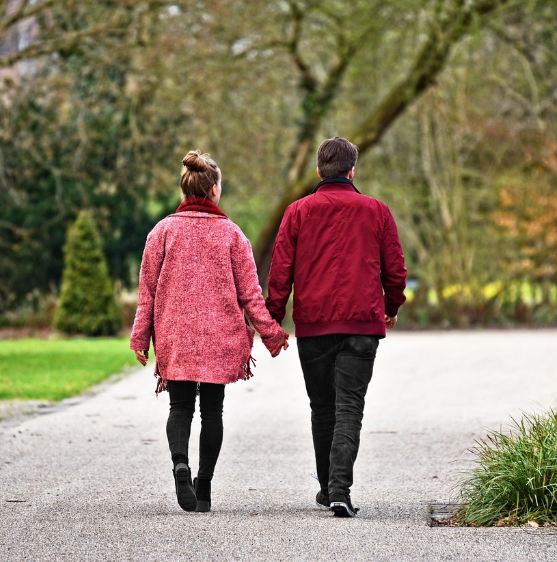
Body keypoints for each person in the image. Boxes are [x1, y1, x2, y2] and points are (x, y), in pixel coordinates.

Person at [130, 150, 289, 513]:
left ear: (183, 189)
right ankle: (203, 488)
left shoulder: (162, 232)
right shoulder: (233, 235)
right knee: (212, 411)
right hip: (221, 337)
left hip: (176, 335)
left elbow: (147, 293)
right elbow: (250, 295)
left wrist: (140, 337)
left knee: (180, 406)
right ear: (215, 190)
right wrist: (271, 333)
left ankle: (180, 464)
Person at [266, 136, 407, 518]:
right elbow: (396, 270)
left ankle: (329, 489)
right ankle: (339, 489)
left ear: (318, 171)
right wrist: (391, 307)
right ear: (352, 171)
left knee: (323, 408)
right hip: (362, 325)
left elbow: (280, 272)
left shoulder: (297, 212)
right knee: (349, 407)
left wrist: (272, 319)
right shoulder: (376, 211)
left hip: (314, 327)